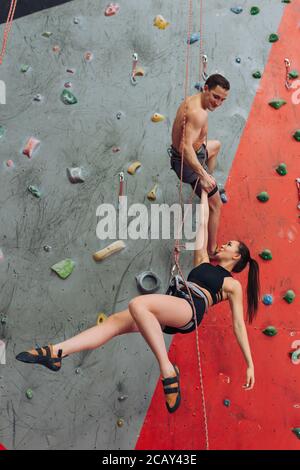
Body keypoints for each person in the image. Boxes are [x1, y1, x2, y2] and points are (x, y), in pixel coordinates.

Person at [16, 191, 260, 414]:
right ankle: (57, 351)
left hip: (190, 309)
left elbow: (238, 325)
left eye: (229, 245)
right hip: (173, 304)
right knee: (114, 323)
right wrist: (204, 190)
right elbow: (203, 224)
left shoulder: (232, 285)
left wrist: (249, 363)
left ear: (236, 256)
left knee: (138, 305)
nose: (224, 244)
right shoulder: (203, 260)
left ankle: (167, 370)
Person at [168, 73, 230, 257]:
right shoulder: (198, 114)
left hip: (196, 152)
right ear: (205, 89)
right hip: (186, 164)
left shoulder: (194, 100)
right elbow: (185, 148)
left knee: (216, 146)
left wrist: (206, 174)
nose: (218, 103)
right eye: (215, 97)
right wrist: (202, 175)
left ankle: (209, 183)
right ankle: (212, 250)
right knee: (216, 205)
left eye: (222, 100)